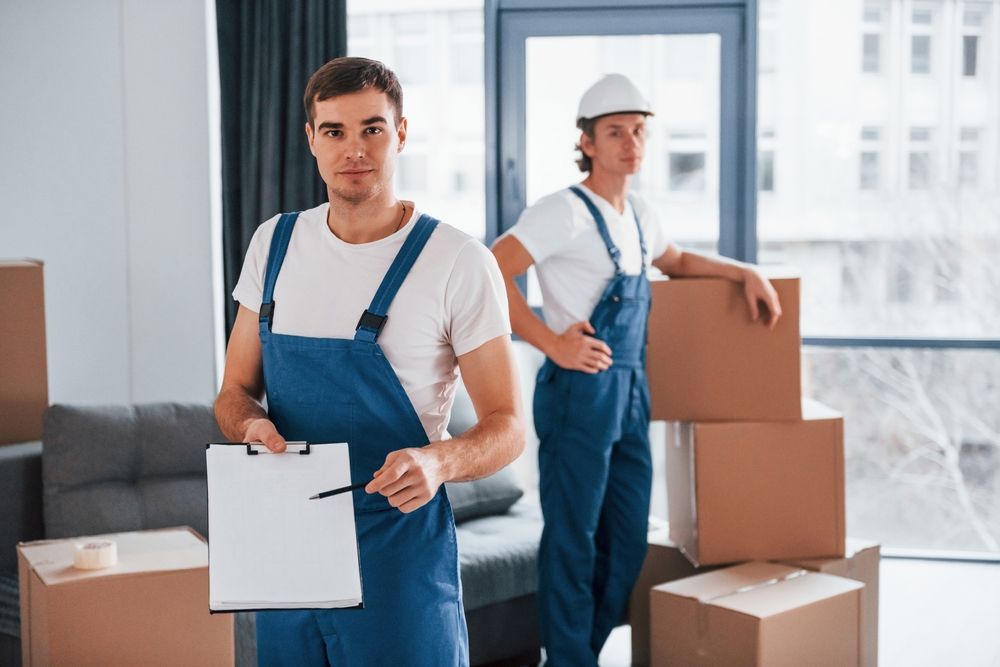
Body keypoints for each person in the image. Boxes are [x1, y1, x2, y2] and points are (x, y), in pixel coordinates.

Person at [214, 57, 524, 667]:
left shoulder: (457, 261)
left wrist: (441, 460)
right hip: (289, 549)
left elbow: (508, 425)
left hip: (398, 550)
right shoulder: (272, 245)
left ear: (401, 133)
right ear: (310, 139)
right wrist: (250, 425)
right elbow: (233, 391)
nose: (354, 149)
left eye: (372, 129)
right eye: (334, 131)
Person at [491, 73, 782, 665]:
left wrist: (742, 272)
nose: (631, 143)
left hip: (631, 390)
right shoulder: (562, 212)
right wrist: (550, 342)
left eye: (639, 131)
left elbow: (675, 261)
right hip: (579, 390)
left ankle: (583, 650)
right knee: (573, 537)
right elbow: (493, 268)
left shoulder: (641, 214)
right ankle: (569, 658)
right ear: (588, 142)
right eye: (615, 132)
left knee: (625, 537)